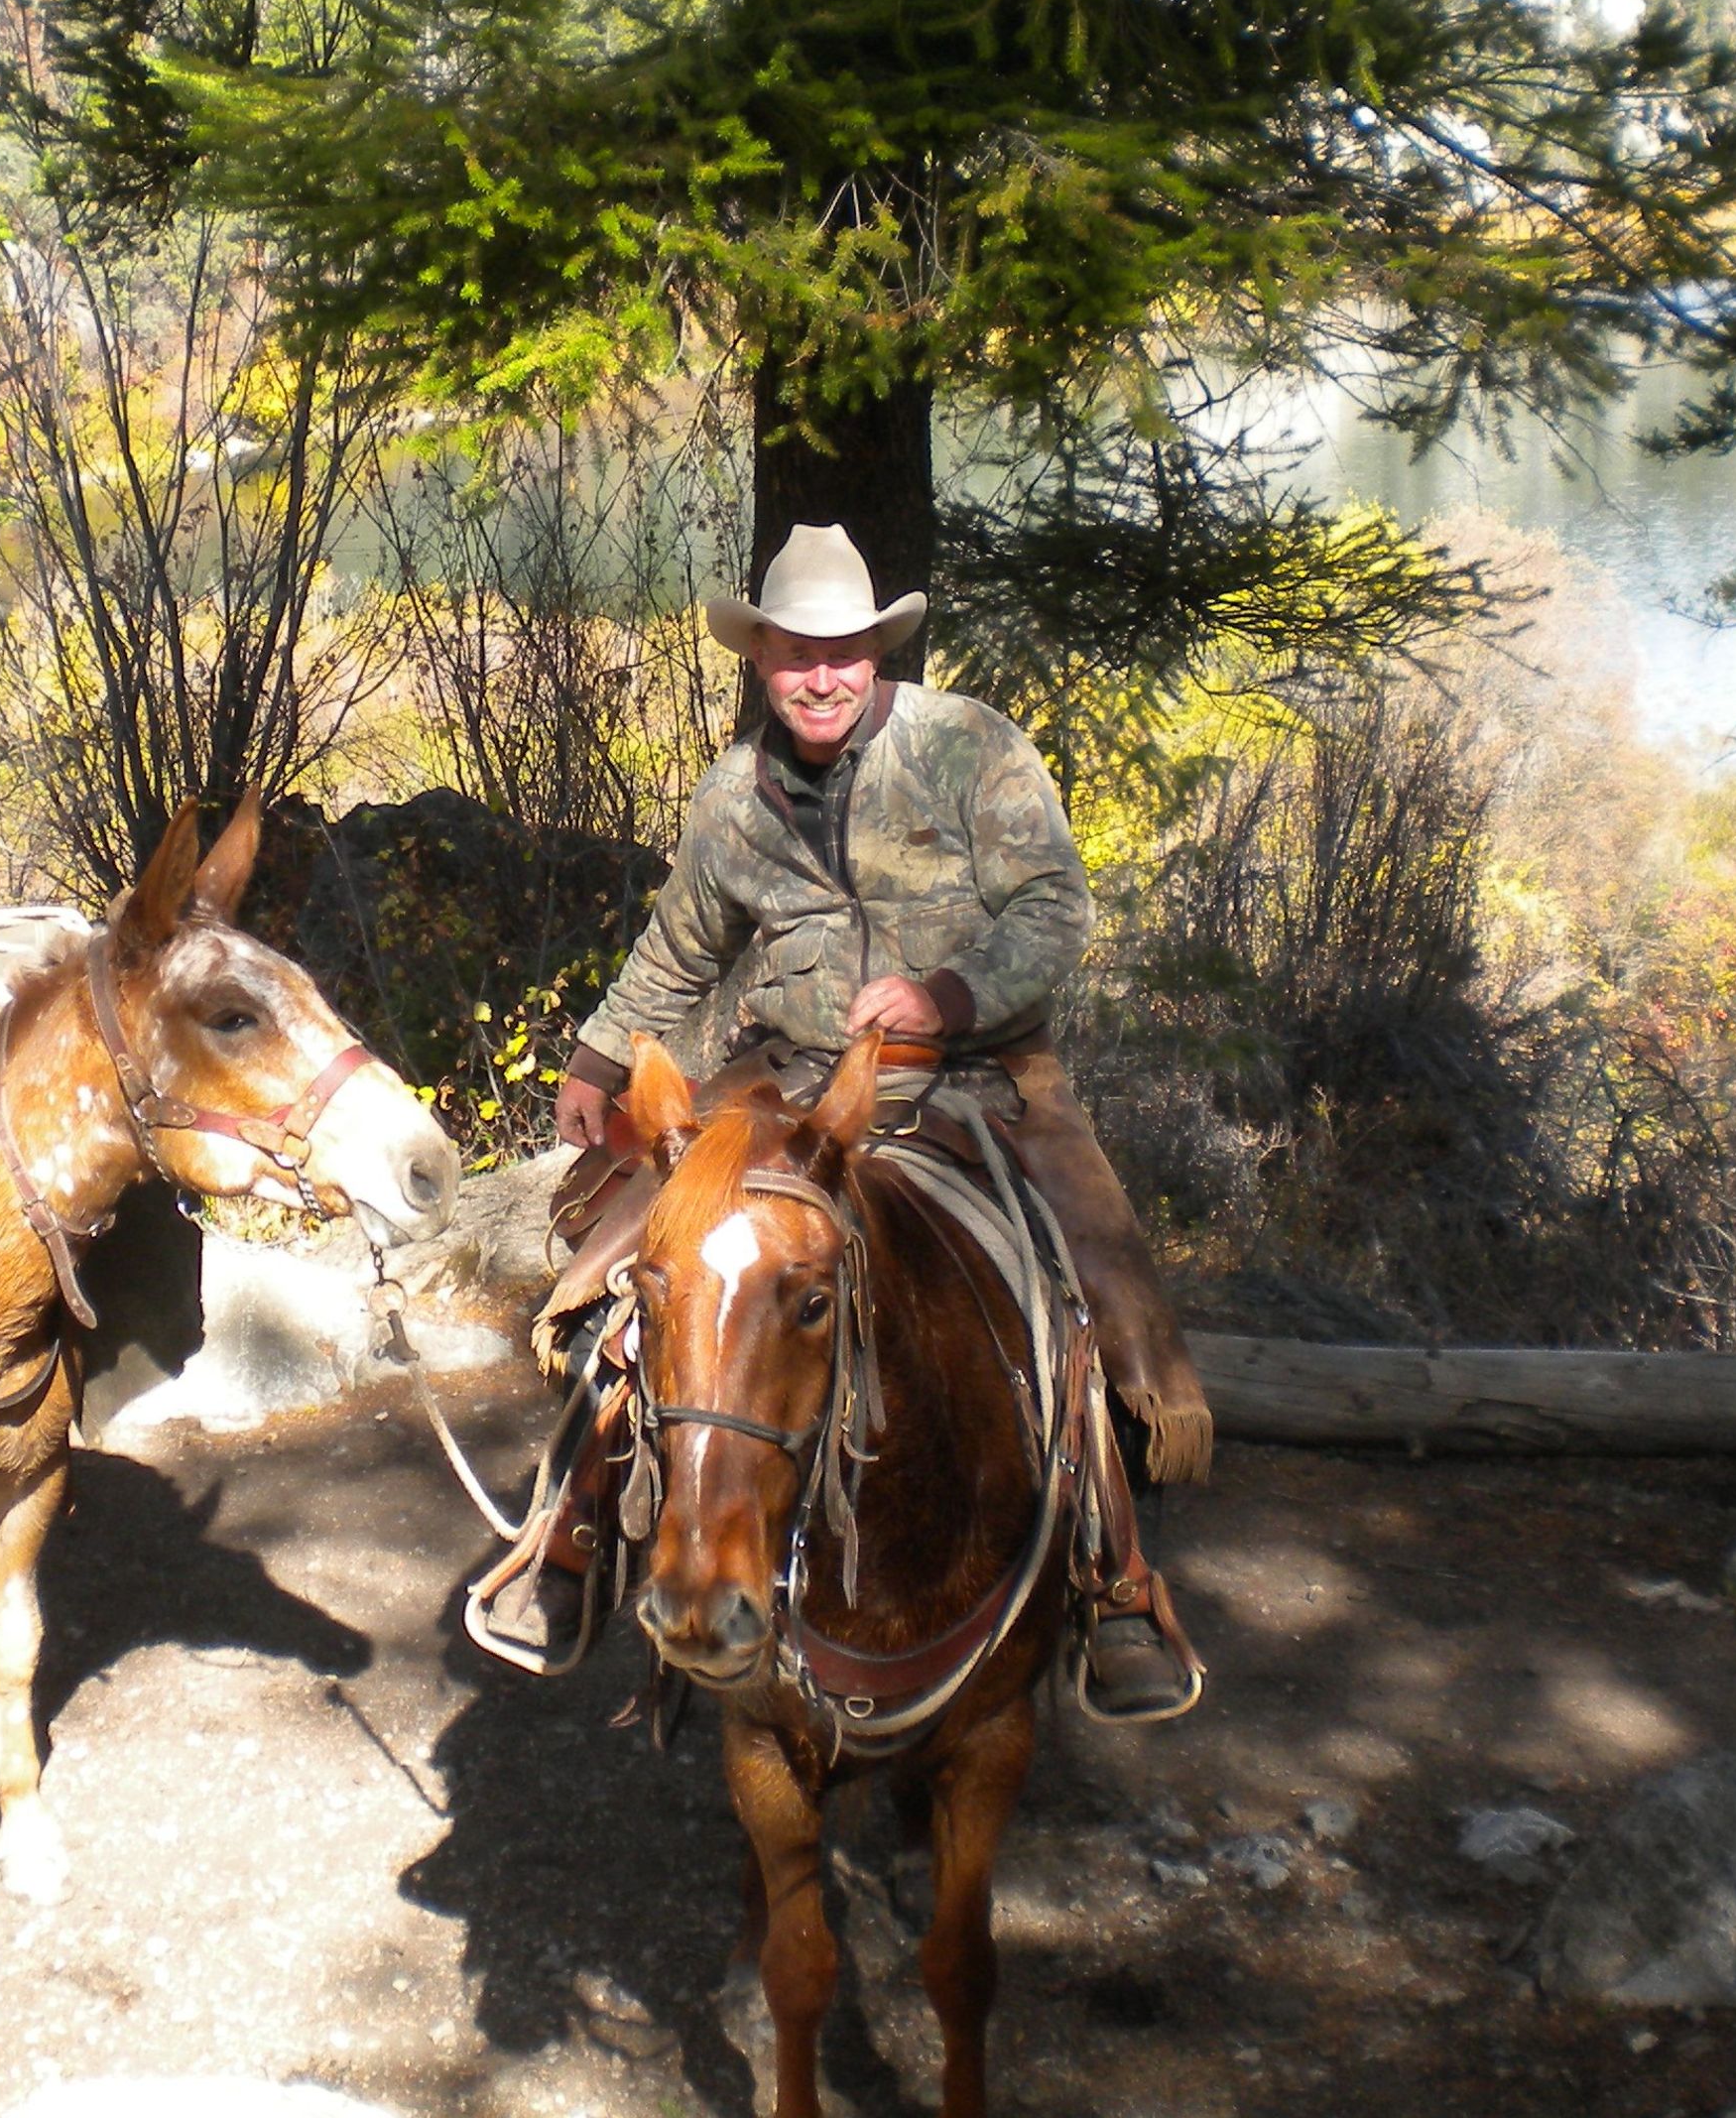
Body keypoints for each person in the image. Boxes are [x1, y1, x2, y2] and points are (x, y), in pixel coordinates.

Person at [486, 522, 1212, 1717]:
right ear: (761, 656)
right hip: (782, 1081)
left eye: (843, 653)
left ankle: (1112, 1575)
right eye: (794, 654)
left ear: (876, 653)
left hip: (973, 1071)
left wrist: (946, 994)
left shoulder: (971, 748)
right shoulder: (732, 795)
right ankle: (572, 1538)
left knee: (1099, 1295)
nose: (819, 676)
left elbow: (1053, 907)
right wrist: (598, 1054)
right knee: (625, 1276)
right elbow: (679, 951)